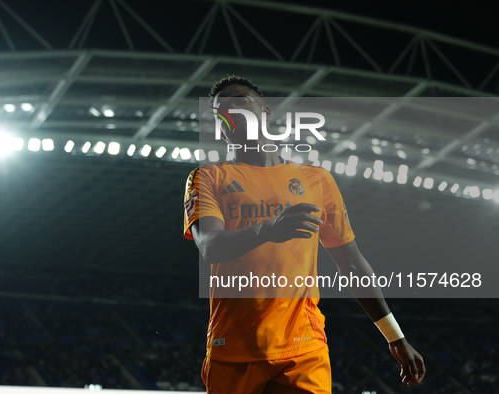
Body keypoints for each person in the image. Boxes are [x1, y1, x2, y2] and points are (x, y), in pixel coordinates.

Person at [183, 76, 426, 394]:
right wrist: (269, 228)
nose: (230, 110)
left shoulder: (316, 180)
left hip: (303, 348)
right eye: (220, 110)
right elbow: (211, 247)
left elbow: (351, 264)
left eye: (240, 101)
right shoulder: (206, 177)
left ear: (265, 112)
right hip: (233, 348)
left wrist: (395, 335)